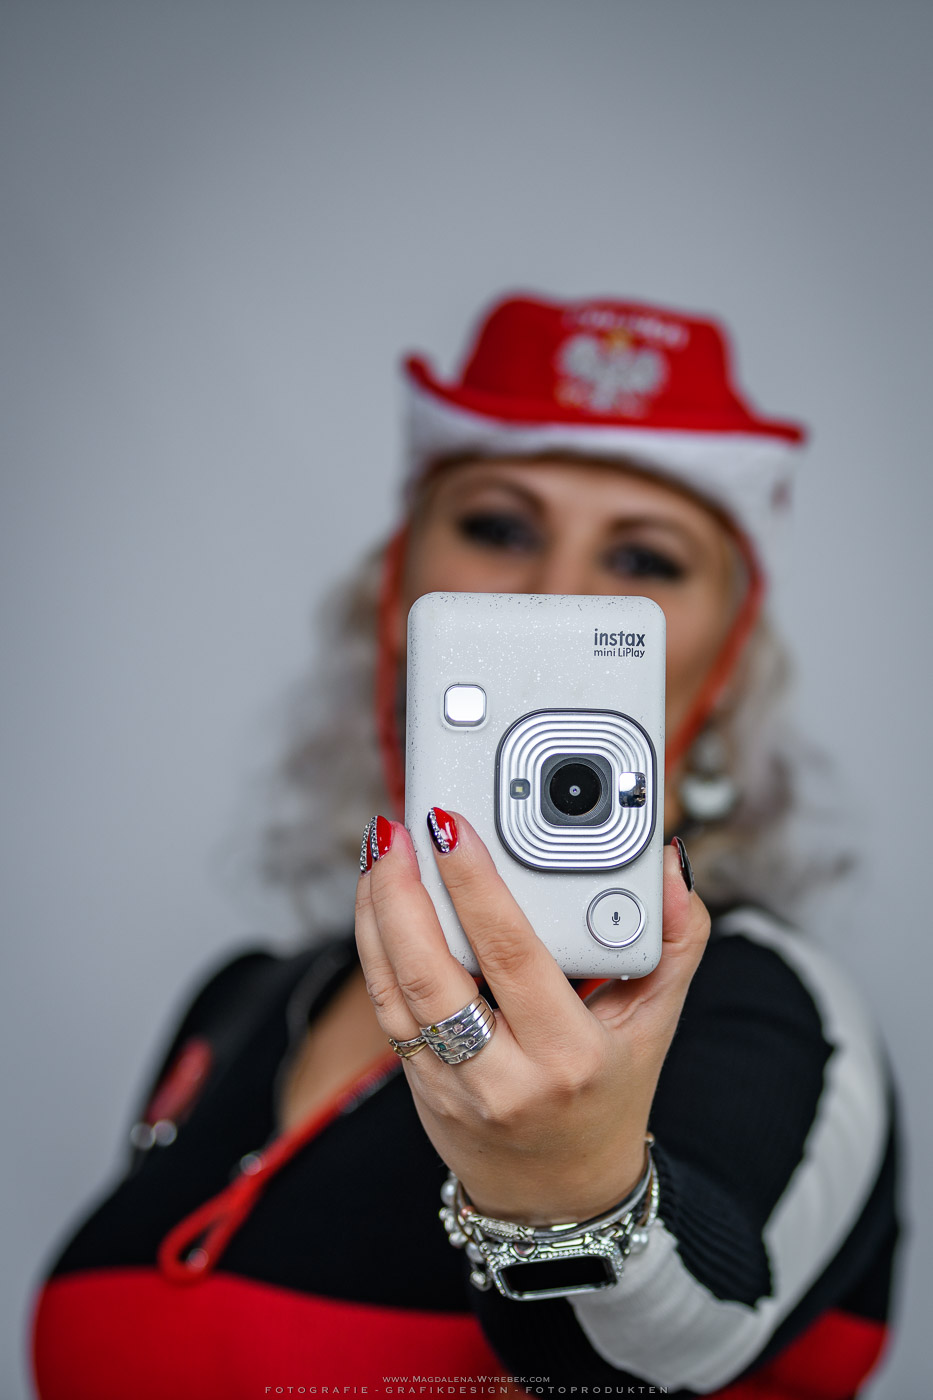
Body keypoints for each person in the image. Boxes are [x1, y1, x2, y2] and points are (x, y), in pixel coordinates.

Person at [32, 294, 899, 1399]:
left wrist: (569, 1193)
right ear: (397, 597)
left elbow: (682, 1347)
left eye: (644, 556)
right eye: (499, 528)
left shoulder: (770, 1002)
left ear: (721, 662)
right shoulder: (243, 1000)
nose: (559, 594)